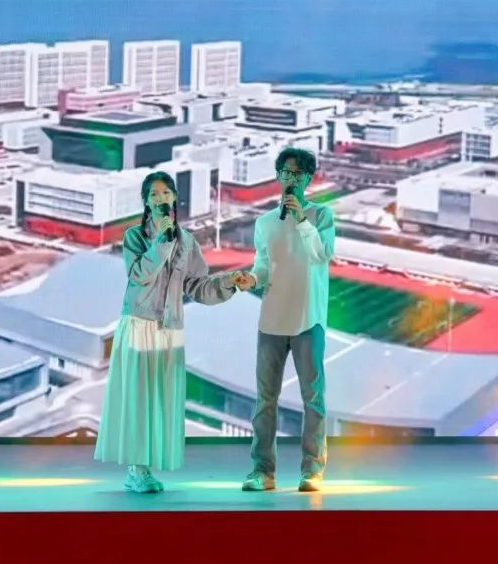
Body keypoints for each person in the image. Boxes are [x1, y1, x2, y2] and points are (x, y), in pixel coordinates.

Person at [95, 170, 244, 493]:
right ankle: (137, 469)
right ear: (146, 203)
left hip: (170, 328)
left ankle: (145, 466)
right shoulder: (135, 237)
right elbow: (139, 275)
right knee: (139, 398)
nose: (160, 199)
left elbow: (198, 286)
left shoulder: (187, 241)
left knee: (161, 400)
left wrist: (229, 283)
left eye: (166, 193)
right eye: (154, 195)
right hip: (140, 324)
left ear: (175, 197)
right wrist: (161, 244)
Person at [235, 147, 335, 493]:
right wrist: (251, 278)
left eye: (298, 174)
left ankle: (312, 471)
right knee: (265, 400)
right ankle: (262, 471)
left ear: (309, 178)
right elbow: (263, 266)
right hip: (272, 320)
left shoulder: (321, 216)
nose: (291, 179)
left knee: (313, 400)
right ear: (277, 176)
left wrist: (302, 220)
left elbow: (322, 254)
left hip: (308, 319)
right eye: (286, 173)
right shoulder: (265, 223)